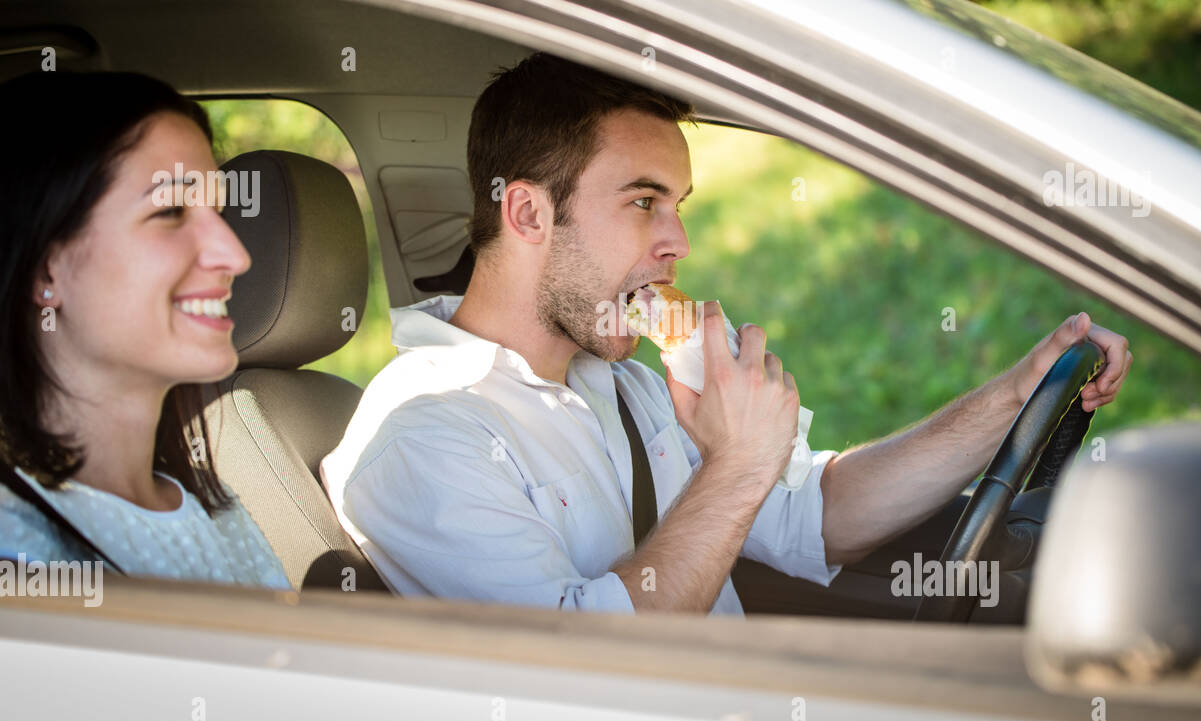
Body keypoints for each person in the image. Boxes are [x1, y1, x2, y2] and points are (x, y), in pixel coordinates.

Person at [321, 52, 1132, 614]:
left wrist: (1016, 393)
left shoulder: (627, 384)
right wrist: (739, 464)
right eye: (644, 202)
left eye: (680, 205)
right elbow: (584, 670)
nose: (678, 242)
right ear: (529, 212)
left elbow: (822, 514)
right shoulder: (425, 434)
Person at [0, 71, 290, 589]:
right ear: (47, 270)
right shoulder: (14, 545)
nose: (235, 255)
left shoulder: (218, 514)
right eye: (171, 211)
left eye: (219, 210)